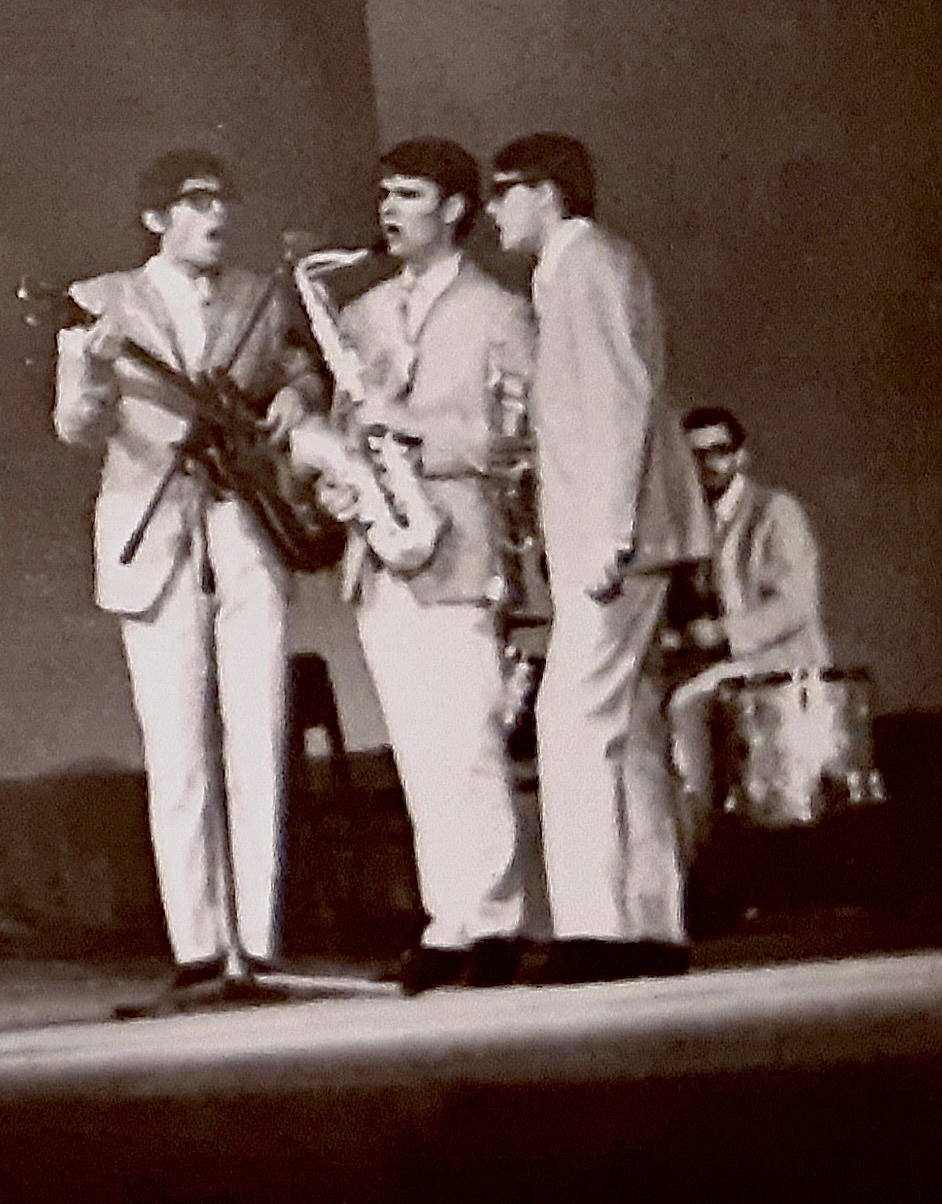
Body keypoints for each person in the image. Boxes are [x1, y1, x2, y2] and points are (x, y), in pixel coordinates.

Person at [53, 149, 326, 1008]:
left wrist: (300, 397)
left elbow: (299, 368)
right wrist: (94, 370)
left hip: (246, 522)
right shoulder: (101, 300)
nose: (216, 216)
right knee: (176, 745)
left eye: (221, 200)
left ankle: (261, 941)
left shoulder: (261, 296)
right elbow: (76, 427)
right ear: (154, 218)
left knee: (259, 732)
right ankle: (201, 946)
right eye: (195, 202)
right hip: (154, 527)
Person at [316, 139, 540, 993]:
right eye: (385, 194)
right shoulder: (362, 313)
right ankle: (449, 923)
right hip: (384, 550)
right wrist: (341, 482)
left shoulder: (500, 310)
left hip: (463, 544)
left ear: (455, 209)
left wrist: (411, 430)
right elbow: (344, 432)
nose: (389, 209)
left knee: (471, 741)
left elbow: (518, 438)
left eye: (408, 194)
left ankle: (496, 923)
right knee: (416, 748)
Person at [486, 133, 711, 984]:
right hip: (628, 532)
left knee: (572, 720)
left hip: (615, 536)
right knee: (632, 727)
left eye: (505, 191)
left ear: (546, 193)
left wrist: (608, 534)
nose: (495, 210)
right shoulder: (590, 265)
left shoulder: (581, 266)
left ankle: (594, 930)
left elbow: (619, 401)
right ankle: (651, 924)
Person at [663, 406, 829, 851]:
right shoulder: (689, 523)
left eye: (718, 451)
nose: (708, 464)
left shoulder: (776, 512)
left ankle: (702, 845)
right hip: (724, 668)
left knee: (685, 704)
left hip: (780, 667)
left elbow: (796, 604)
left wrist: (723, 634)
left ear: (741, 455)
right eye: (695, 455)